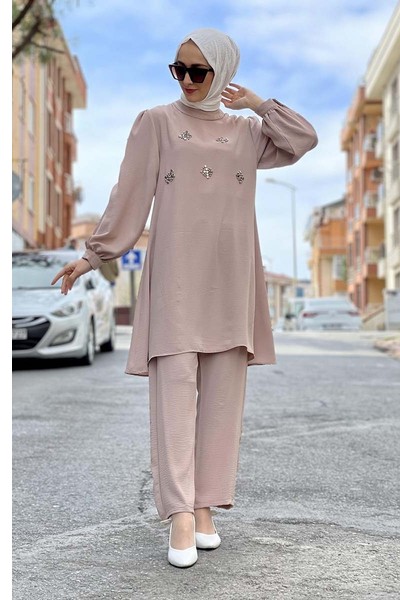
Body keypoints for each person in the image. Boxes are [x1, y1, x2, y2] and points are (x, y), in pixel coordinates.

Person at [51, 27, 318, 568]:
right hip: (175, 277)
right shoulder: (155, 122)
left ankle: (205, 507)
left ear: (222, 72)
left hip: (232, 279)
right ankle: (178, 513)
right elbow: (128, 195)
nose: (188, 80)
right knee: (174, 399)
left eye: (199, 71)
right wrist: (94, 256)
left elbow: (303, 139)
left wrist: (259, 104)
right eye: (179, 69)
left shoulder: (249, 132)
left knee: (222, 402)